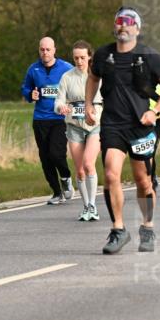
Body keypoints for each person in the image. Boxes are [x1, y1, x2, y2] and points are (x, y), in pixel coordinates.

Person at [87, 7, 160, 254]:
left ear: (137, 28)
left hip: (141, 125)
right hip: (113, 124)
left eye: (128, 23)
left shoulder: (148, 55)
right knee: (111, 174)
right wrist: (88, 104)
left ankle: (147, 227)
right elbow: (93, 77)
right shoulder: (104, 54)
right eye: (119, 22)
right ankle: (118, 229)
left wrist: (156, 110)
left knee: (143, 181)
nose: (122, 27)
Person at [21, 37, 74, 205]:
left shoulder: (66, 68)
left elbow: (78, 87)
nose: (45, 52)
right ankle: (56, 192)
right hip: (40, 119)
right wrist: (30, 95)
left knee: (56, 154)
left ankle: (66, 178)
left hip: (59, 118)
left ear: (54, 50)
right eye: (42, 49)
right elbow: (25, 87)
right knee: (45, 157)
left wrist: (71, 104)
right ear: (39, 50)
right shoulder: (33, 69)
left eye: (48, 49)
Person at [55, 41, 102, 220]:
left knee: (89, 164)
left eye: (83, 57)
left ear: (89, 56)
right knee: (80, 169)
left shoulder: (98, 76)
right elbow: (58, 101)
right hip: (74, 126)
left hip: (95, 125)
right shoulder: (67, 77)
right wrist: (61, 108)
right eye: (76, 58)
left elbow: (109, 98)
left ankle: (93, 205)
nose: (79, 61)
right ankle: (85, 206)